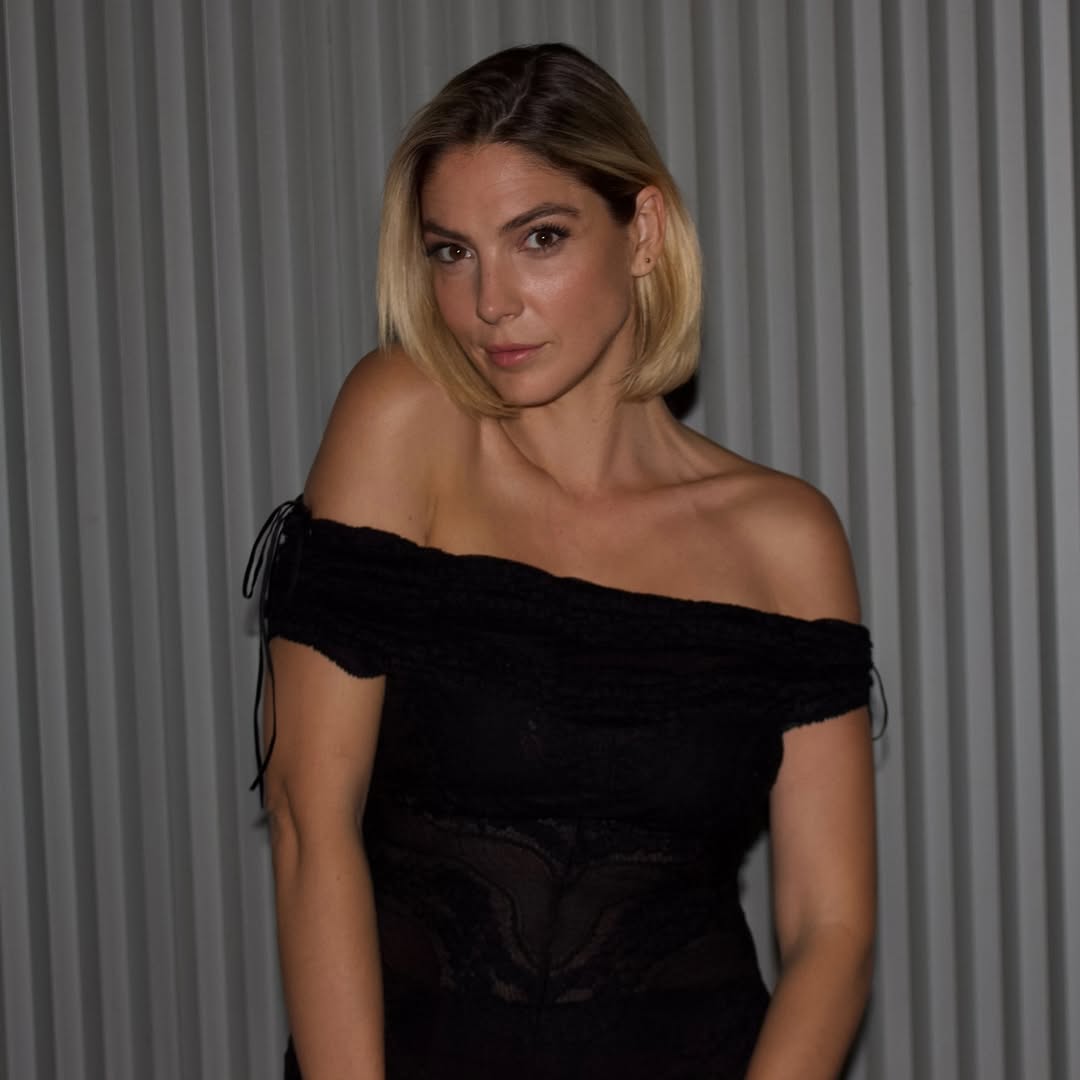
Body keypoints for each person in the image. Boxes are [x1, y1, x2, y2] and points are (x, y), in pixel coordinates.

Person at [243, 42, 877, 1080]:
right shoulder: (402, 424)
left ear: (644, 232)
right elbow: (309, 820)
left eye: (539, 238)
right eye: (452, 252)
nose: (490, 301)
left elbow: (832, 929)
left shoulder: (786, 537)